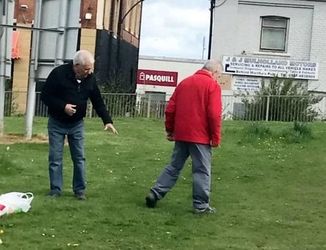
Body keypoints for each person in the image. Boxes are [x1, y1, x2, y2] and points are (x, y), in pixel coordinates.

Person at [145, 59, 223, 214]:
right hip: (200, 136)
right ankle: (200, 205)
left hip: (181, 134)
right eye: (218, 76)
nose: (217, 79)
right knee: (201, 170)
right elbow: (214, 114)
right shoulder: (212, 86)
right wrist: (216, 137)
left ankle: (155, 193)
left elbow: (170, 109)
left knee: (174, 166)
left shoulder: (184, 83)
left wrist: (170, 130)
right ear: (214, 72)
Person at [41, 50, 118, 200]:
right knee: (55, 158)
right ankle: (55, 190)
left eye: (90, 69)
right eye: (86, 69)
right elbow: (45, 96)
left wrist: (107, 121)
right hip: (57, 122)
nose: (89, 72)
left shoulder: (90, 79)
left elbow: (98, 101)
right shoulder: (58, 74)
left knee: (79, 158)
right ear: (76, 66)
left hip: (77, 124)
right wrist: (63, 106)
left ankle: (80, 190)